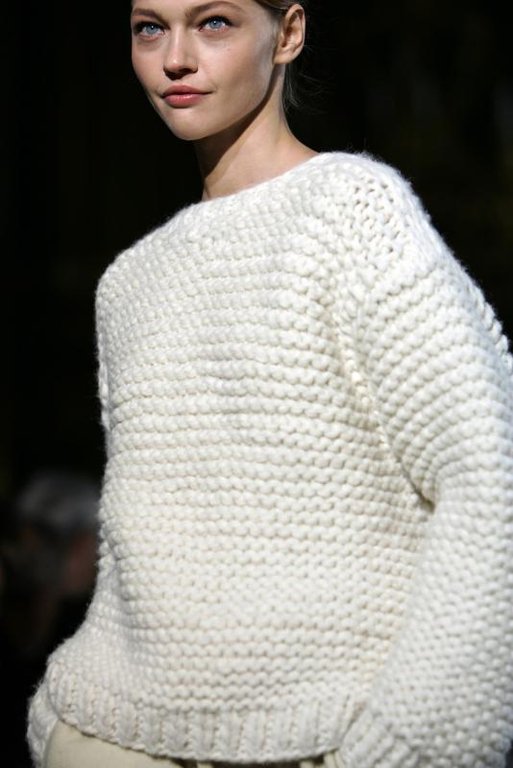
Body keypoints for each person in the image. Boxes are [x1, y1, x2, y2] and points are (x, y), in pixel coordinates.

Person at [27, 1, 513, 766]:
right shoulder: (129, 283)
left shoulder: (352, 215)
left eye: (213, 22)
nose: (175, 58)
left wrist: (413, 742)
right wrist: (60, 721)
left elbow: (490, 471)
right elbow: (141, 534)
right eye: (149, 28)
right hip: (110, 733)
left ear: (286, 34)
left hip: (321, 740)